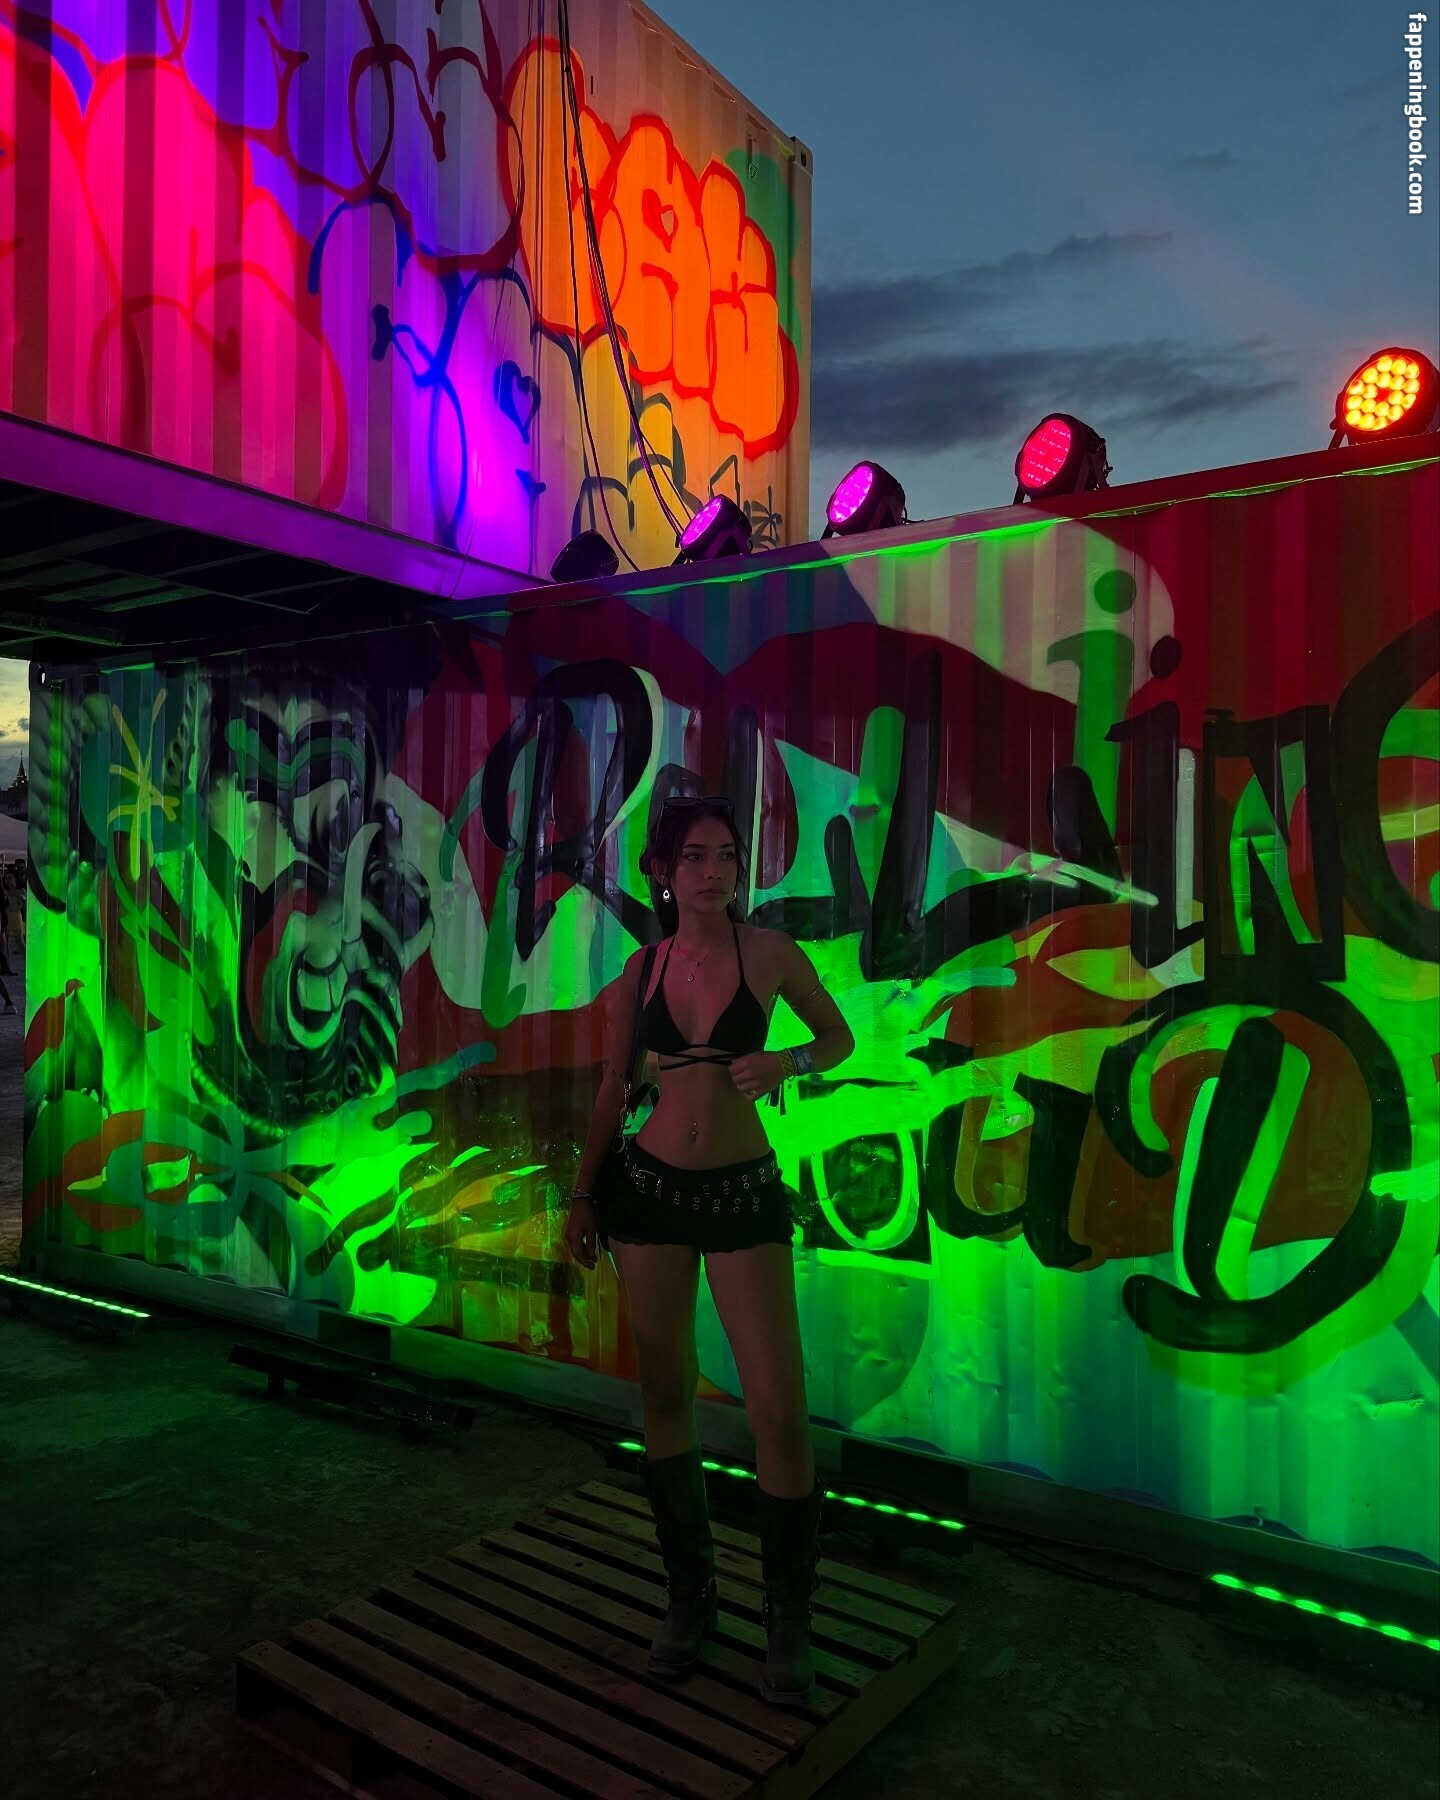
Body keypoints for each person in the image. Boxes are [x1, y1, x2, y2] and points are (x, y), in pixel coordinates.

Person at [563, 794, 854, 1706]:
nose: (714, 871)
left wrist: (787, 1064)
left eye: (727, 855)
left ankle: (788, 1619)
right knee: (663, 1394)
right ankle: (691, 1597)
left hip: (739, 1195)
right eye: (694, 856)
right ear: (661, 870)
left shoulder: (769, 953)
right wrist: (581, 1194)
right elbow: (614, 1089)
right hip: (647, 1194)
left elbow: (838, 1038)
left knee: (780, 1411)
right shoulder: (642, 970)